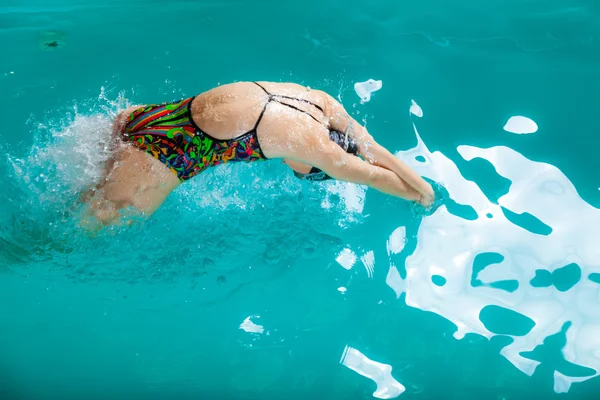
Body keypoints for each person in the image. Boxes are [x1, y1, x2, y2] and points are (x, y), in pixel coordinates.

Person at [82, 81, 434, 225]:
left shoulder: (320, 101)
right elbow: (372, 174)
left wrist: (422, 184)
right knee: (75, 238)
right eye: (304, 172)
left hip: (145, 116)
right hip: (158, 160)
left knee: (82, 196)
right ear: (313, 166)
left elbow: (370, 146)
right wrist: (421, 198)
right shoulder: (315, 148)